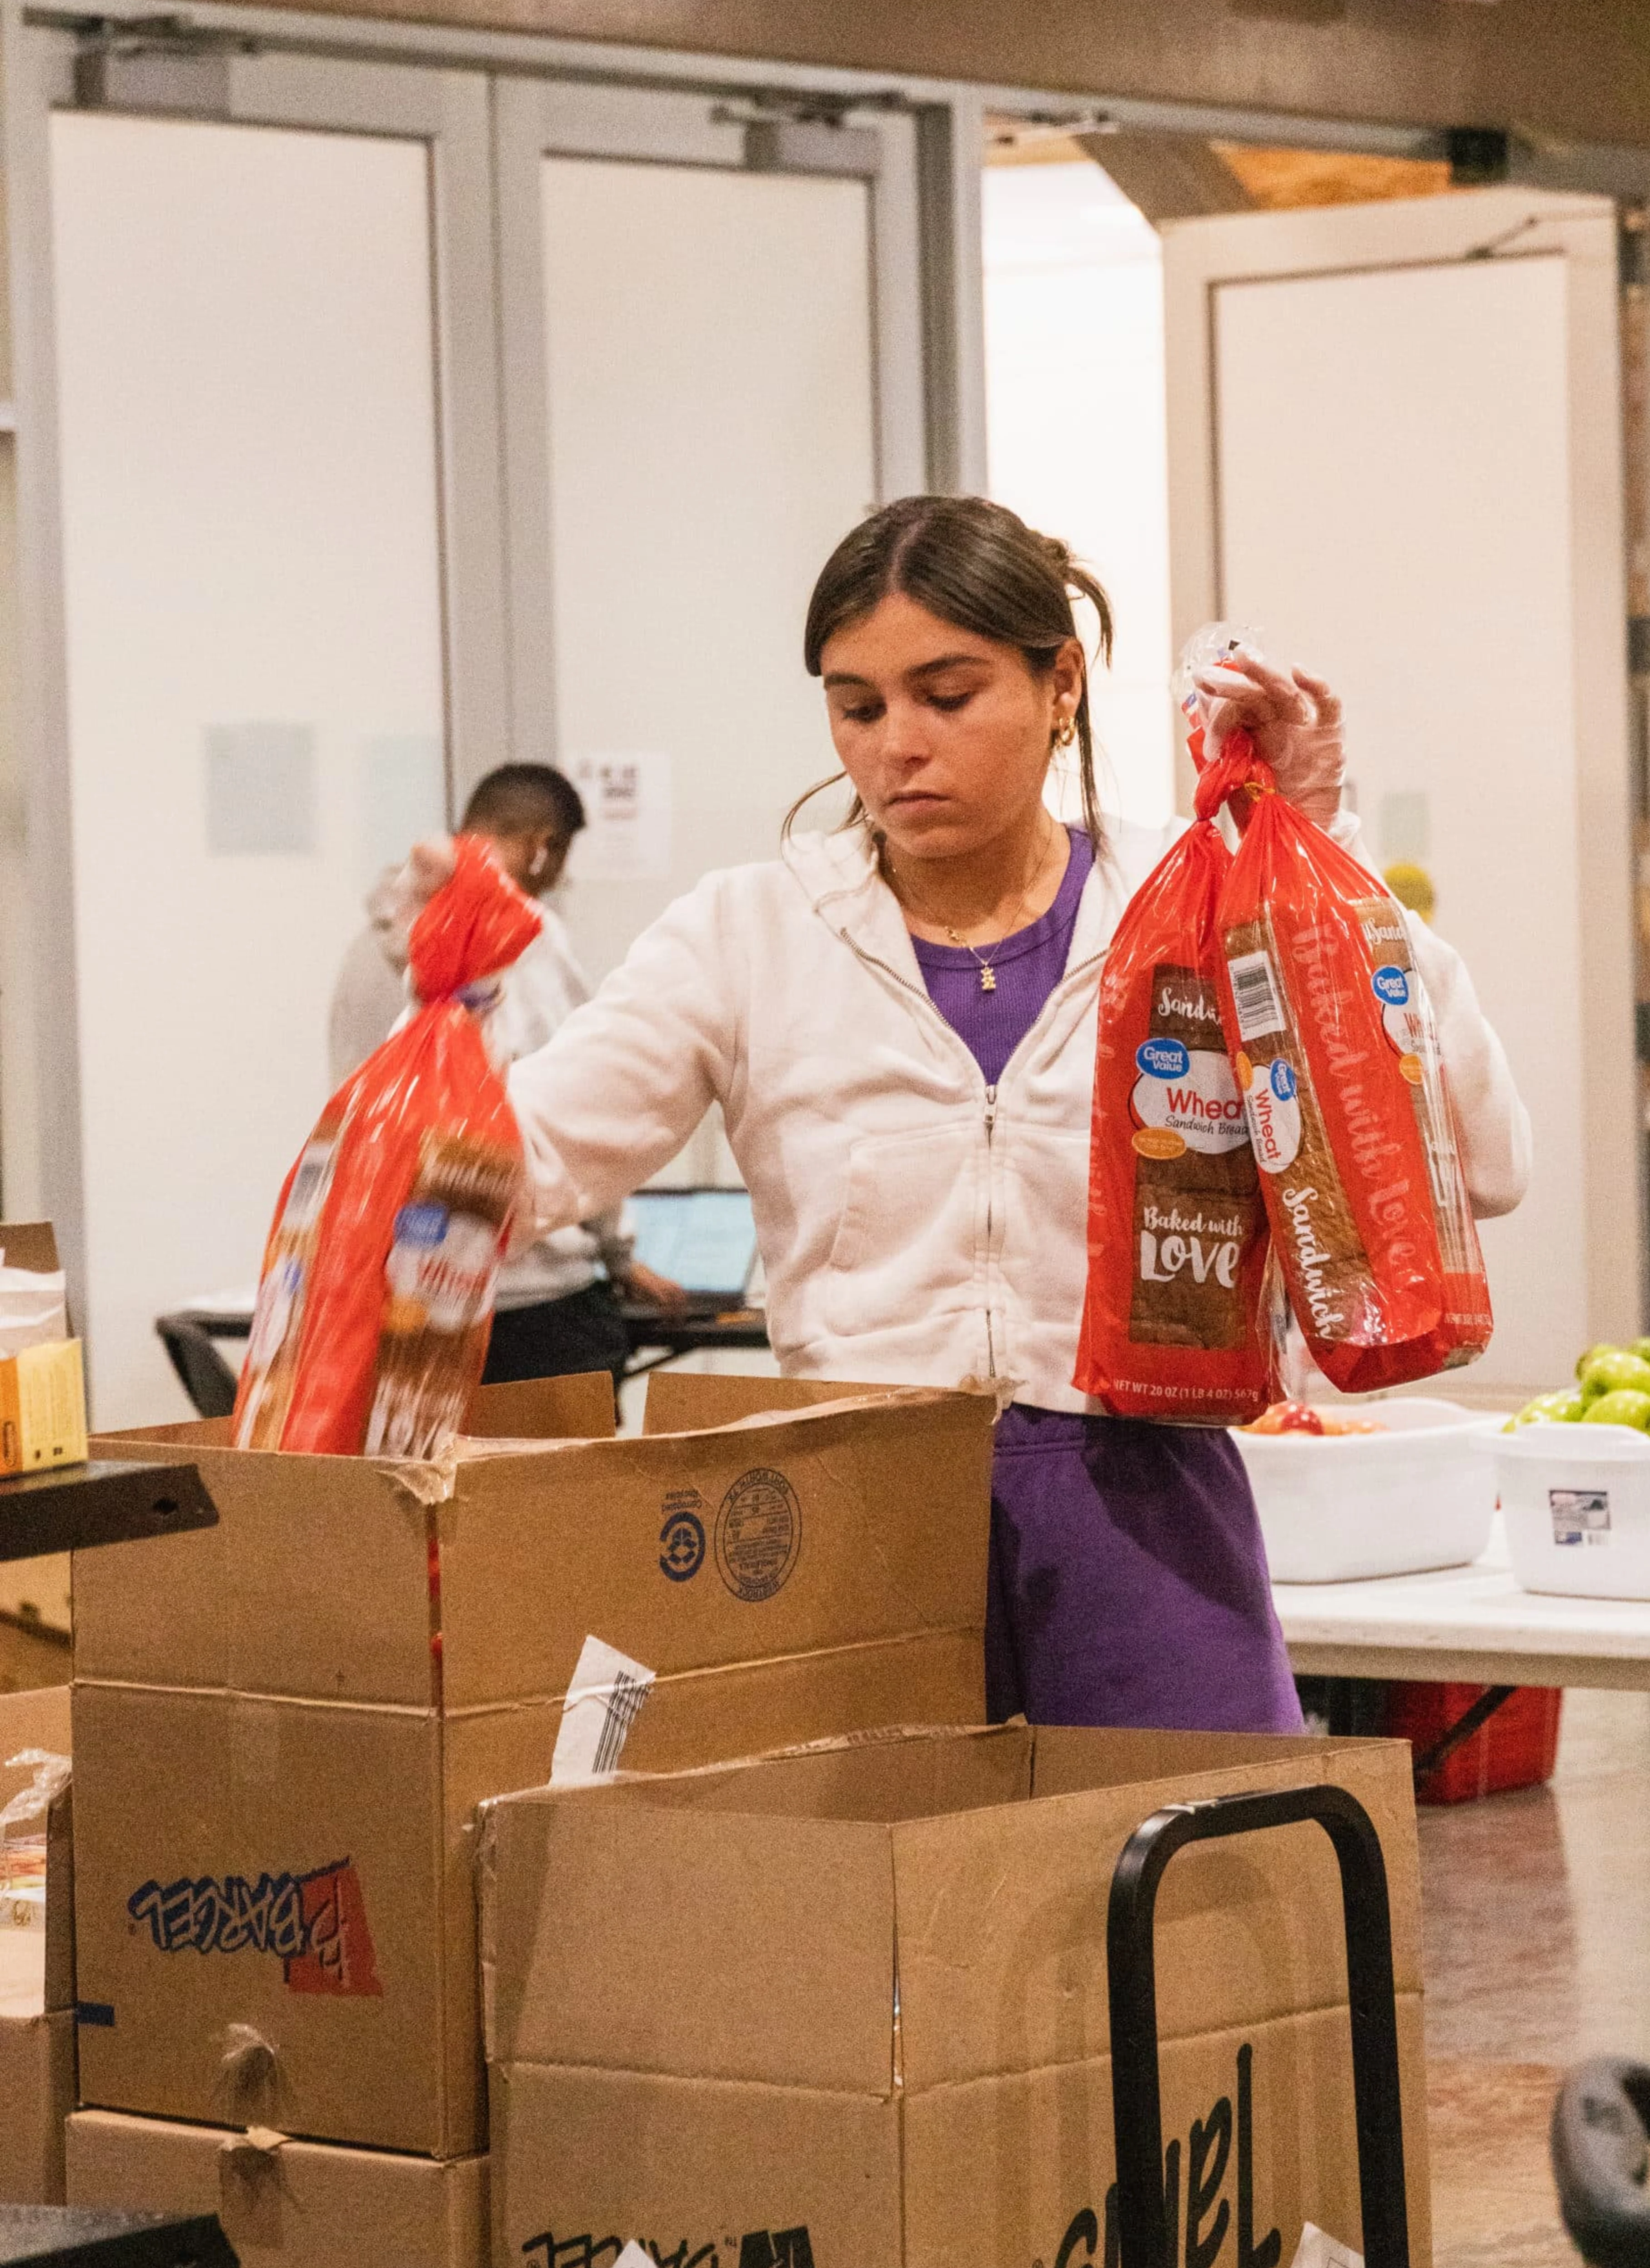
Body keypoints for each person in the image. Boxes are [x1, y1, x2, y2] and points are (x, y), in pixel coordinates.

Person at [402, 499, 1530, 1730]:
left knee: (1185, 1897)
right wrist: (435, 1045)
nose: (899, 746)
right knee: (892, 1913)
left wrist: (1308, 858)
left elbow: (1478, 1156)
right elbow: (515, 1165)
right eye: (860, 704)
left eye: (948, 694)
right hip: (853, 1527)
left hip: (1146, 1515)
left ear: (1062, 686)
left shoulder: (1187, 900)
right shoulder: (750, 933)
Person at [334, 761, 684, 1384]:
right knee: (557, 1484)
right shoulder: (520, 934)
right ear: (543, 846)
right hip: (532, 1295)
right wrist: (618, 1253)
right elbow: (578, 1096)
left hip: (404, 1285)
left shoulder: (369, 947)